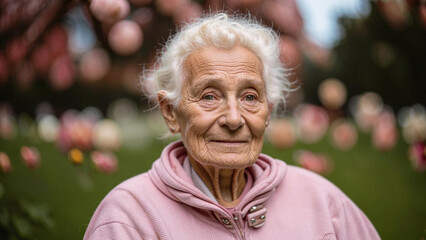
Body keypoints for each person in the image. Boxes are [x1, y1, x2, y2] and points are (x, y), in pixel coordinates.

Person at [84, 13, 380, 240]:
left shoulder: (322, 203)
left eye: (250, 97)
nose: (234, 119)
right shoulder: (129, 217)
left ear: (268, 112)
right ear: (171, 112)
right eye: (210, 96)